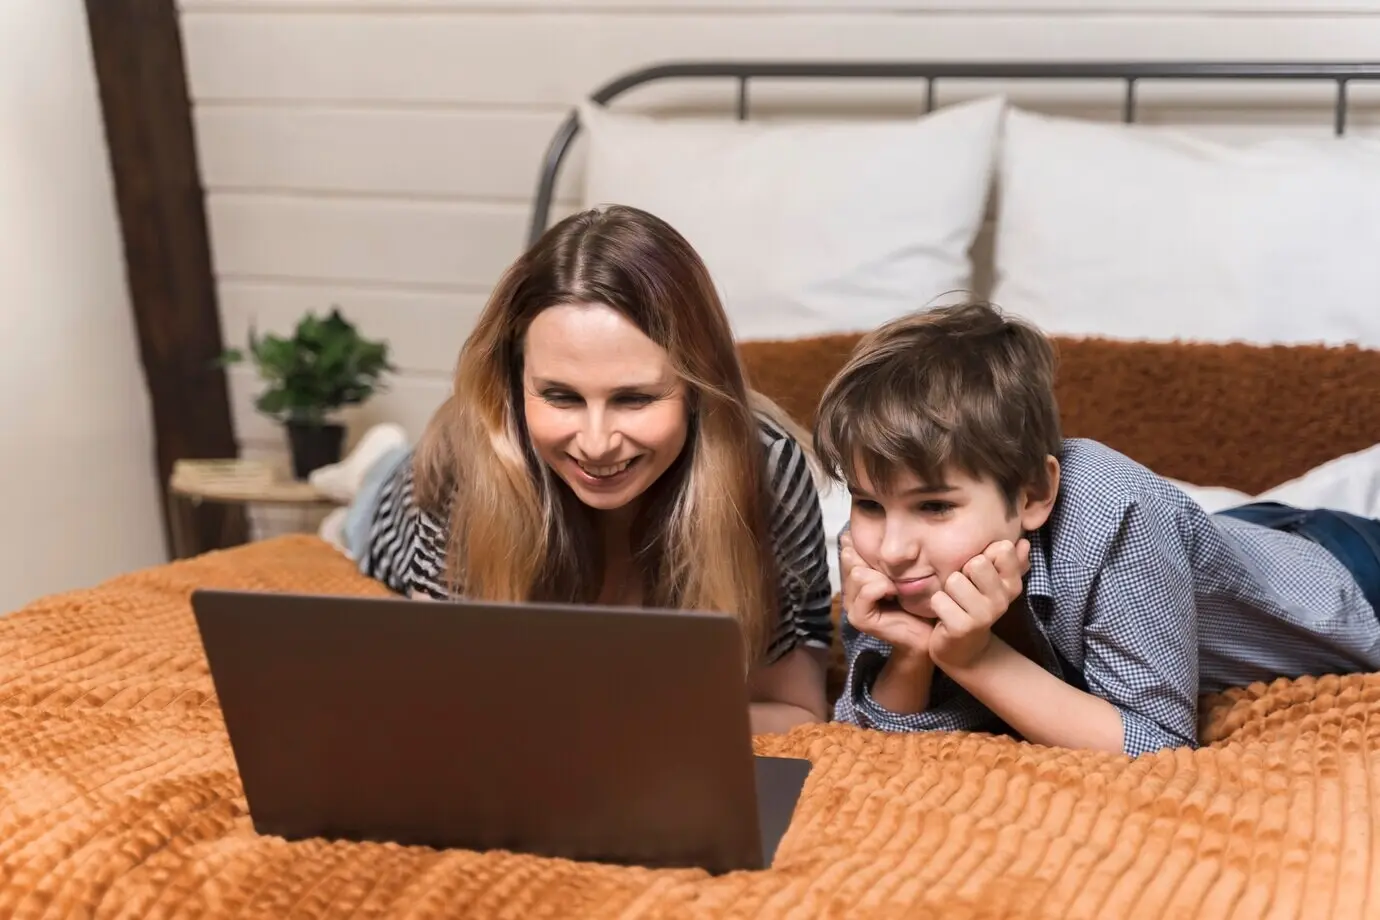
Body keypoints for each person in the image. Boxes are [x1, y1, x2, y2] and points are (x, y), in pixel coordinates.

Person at [319, 205, 835, 735]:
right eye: (561, 396)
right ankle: (371, 465)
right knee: (358, 518)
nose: (596, 444)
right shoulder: (465, 463)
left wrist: (607, 719)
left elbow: (797, 711)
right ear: (514, 388)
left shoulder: (768, 473)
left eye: (634, 399)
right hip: (393, 504)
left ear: (698, 388)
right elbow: (441, 700)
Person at [812, 300, 1380, 757]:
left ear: (1033, 494)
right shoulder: (883, 557)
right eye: (868, 504)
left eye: (934, 507)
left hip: (1344, 569)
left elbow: (1156, 744)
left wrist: (973, 659)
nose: (892, 548)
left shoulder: (1116, 511)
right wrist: (913, 656)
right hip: (1226, 540)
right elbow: (880, 738)